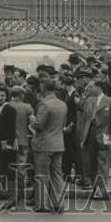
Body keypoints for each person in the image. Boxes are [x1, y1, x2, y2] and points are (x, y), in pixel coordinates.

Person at [30, 79, 68, 213]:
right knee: (57, 175)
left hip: (44, 144)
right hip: (58, 143)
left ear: (44, 89)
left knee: (41, 175)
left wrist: (32, 120)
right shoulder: (63, 104)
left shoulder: (44, 104)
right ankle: (58, 203)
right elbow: (63, 124)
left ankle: (42, 204)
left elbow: (39, 125)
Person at [80, 79, 111, 196]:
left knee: (102, 163)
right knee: (90, 162)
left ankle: (101, 190)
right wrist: (83, 137)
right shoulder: (88, 101)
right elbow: (85, 120)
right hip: (90, 134)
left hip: (104, 135)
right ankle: (93, 186)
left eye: (91, 87)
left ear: (99, 87)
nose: (89, 89)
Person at [9, 85, 34, 201]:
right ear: (21, 95)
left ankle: (13, 192)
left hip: (10, 142)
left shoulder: (6, 106)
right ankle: (21, 191)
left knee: (10, 167)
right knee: (21, 166)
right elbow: (33, 124)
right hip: (23, 140)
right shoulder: (27, 107)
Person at [0, 84, 17, 184]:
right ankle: (2, 191)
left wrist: (8, 144)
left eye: (2, 95)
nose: (0, 98)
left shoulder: (9, 109)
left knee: (9, 169)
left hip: (7, 144)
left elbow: (11, 128)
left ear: (6, 96)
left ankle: (12, 195)